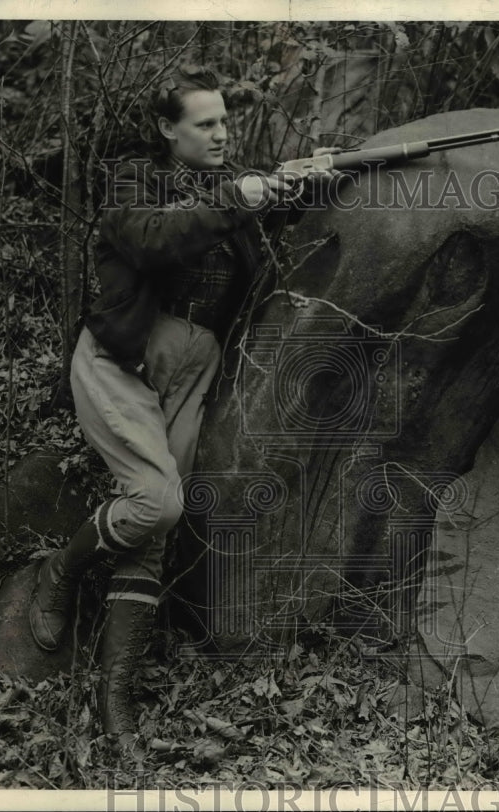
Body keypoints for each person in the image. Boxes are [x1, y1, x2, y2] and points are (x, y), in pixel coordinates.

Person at [27, 64, 323, 747]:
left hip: (195, 368)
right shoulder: (132, 181)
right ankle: (61, 570)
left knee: (156, 531)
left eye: (226, 121)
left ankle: (118, 706)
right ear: (167, 129)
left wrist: (313, 180)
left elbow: (291, 213)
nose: (223, 133)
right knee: (157, 502)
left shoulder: (239, 182)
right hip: (120, 363)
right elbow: (155, 240)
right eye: (206, 123)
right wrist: (243, 195)